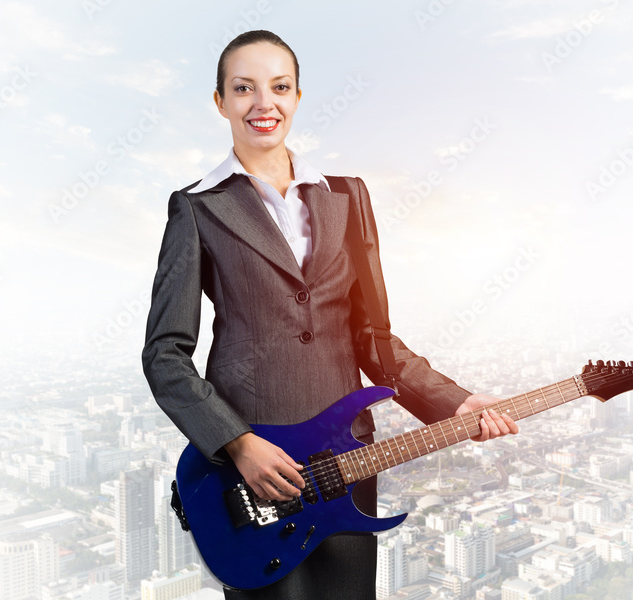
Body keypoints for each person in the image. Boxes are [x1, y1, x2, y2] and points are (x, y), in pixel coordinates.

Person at [142, 30, 518, 599]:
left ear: (297, 97)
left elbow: (372, 338)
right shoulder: (198, 208)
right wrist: (238, 443)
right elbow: (165, 354)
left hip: (348, 460)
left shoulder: (348, 196)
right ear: (220, 102)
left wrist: (456, 402)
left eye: (279, 86)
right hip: (254, 471)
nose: (262, 103)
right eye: (243, 88)